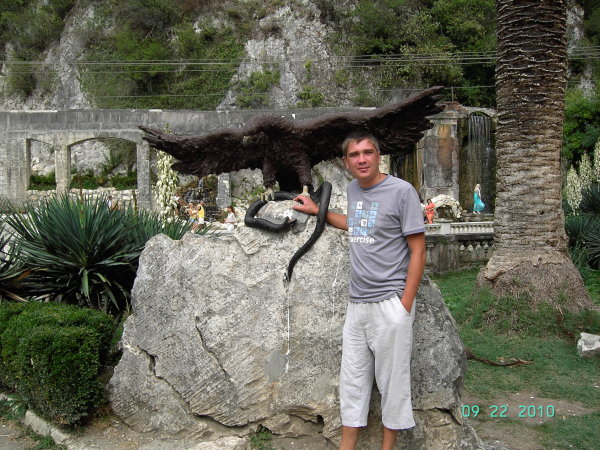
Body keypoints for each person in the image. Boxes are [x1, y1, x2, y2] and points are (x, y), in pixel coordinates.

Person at [292, 131, 426, 450]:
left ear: (378, 156)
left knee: (393, 385)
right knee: (352, 382)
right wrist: (316, 210)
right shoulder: (354, 189)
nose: (362, 160)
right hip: (358, 305)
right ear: (346, 162)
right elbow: (357, 222)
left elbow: (418, 250)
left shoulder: (402, 192)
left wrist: (404, 306)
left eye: (367, 152)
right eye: (355, 155)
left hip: (390, 304)